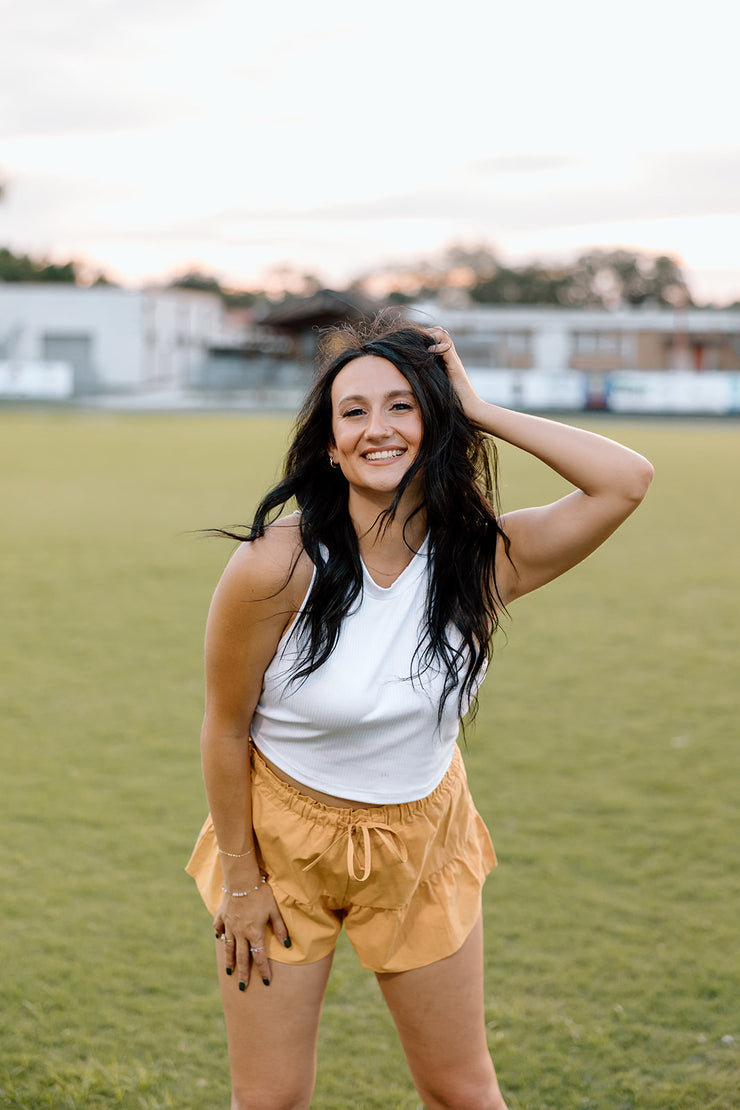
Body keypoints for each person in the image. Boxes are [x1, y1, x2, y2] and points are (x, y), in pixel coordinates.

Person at [186, 318, 653, 1110]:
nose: (379, 428)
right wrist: (241, 882)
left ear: (434, 425)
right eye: (354, 412)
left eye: (403, 407)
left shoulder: (480, 559)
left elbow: (625, 480)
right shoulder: (276, 565)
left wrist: (475, 404)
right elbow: (225, 727)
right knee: (269, 1098)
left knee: (462, 1090)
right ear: (330, 445)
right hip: (280, 845)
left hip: (423, 839)